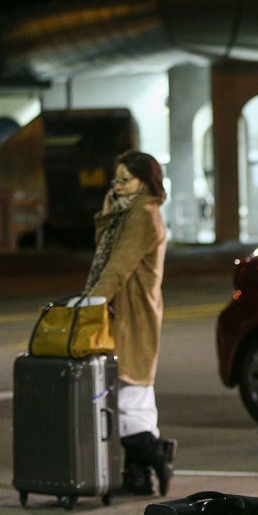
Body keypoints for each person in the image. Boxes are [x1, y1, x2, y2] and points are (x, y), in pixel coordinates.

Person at [85, 150, 176, 497]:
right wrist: (109, 210)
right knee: (130, 394)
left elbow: (118, 266)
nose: (118, 186)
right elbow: (106, 250)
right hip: (125, 312)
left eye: (126, 180)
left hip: (133, 314)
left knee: (129, 393)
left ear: (145, 181)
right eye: (116, 179)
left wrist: (91, 301)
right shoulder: (128, 212)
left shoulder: (143, 214)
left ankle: (157, 453)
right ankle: (139, 476)